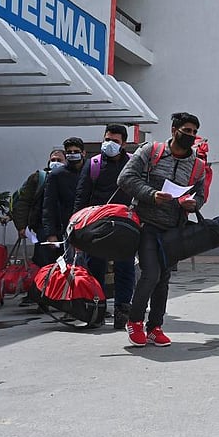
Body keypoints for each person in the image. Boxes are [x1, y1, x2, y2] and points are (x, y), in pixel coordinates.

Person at [118, 112, 206, 347]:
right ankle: (134, 321)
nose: (191, 135)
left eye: (194, 132)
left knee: (163, 278)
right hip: (147, 223)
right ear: (173, 130)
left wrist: (193, 203)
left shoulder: (197, 165)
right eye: (186, 131)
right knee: (151, 273)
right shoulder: (150, 152)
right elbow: (125, 178)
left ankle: (155, 327)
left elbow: (201, 194)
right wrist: (152, 194)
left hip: (173, 228)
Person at [73, 124, 135, 329]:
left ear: (123, 143)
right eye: (107, 139)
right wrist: (77, 229)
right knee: (95, 268)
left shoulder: (133, 164)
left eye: (115, 141)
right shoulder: (93, 164)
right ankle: (96, 310)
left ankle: (122, 312)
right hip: (97, 225)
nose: (109, 144)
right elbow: (81, 198)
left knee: (125, 268)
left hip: (125, 226)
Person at [11, 148, 65, 306]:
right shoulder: (38, 178)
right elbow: (23, 202)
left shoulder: (71, 177)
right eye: (53, 159)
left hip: (65, 228)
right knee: (43, 262)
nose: (55, 163)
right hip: (42, 228)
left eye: (59, 160)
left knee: (64, 264)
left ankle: (59, 295)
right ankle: (38, 294)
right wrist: (21, 226)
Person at [42, 137, 86, 254]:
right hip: (67, 228)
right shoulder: (57, 175)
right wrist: (50, 233)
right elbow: (49, 205)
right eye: (69, 152)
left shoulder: (92, 170)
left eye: (76, 152)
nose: (72, 154)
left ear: (83, 153)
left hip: (90, 227)